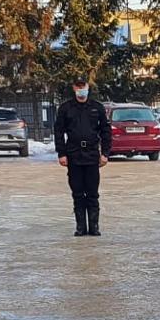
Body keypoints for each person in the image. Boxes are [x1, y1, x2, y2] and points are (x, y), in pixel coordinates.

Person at [53, 79, 111, 236]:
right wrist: (61, 153)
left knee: (92, 193)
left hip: (92, 154)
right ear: (74, 88)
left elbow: (106, 131)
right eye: (78, 87)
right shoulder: (66, 108)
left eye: (83, 86)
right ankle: (80, 227)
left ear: (87, 87)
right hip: (74, 154)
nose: (81, 90)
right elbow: (59, 132)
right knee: (77, 193)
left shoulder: (97, 108)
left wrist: (105, 153)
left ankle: (94, 227)